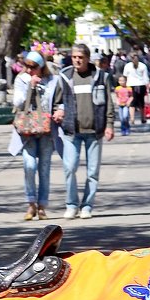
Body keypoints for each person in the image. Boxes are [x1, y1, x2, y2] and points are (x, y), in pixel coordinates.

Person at [10, 50, 68, 221]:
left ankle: (42, 206)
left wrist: (60, 110)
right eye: (26, 66)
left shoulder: (53, 80)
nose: (29, 70)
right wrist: (30, 87)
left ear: (41, 66)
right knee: (29, 165)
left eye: (33, 67)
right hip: (27, 129)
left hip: (47, 130)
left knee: (44, 168)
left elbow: (60, 101)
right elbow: (17, 102)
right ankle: (31, 203)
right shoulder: (21, 79)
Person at [59, 42, 114, 219]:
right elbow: (57, 101)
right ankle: (71, 204)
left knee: (92, 172)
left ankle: (87, 206)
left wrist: (110, 125)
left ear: (88, 59)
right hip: (71, 130)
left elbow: (108, 103)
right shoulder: (65, 76)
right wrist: (58, 111)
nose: (77, 60)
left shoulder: (100, 77)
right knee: (70, 167)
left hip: (94, 130)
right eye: (74, 57)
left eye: (80, 57)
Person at [122, 50, 150, 124]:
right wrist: (147, 86)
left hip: (131, 85)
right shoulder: (143, 65)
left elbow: (125, 76)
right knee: (141, 103)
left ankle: (132, 118)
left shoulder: (127, 66)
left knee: (132, 103)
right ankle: (142, 117)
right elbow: (146, 77)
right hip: (141, 85)